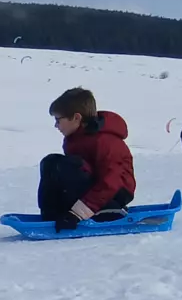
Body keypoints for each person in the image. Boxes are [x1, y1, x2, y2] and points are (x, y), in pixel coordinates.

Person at [39, 88, 135, 229]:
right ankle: (51, 215)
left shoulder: (105, 141)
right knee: (51, 162)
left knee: (68, 166)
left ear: (76, 118)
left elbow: (110, 181)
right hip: (95, 189)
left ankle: (108, 211)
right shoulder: (74, 139)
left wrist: (77, 214)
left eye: (58, 120)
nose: (56, 125)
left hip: (114, 194)